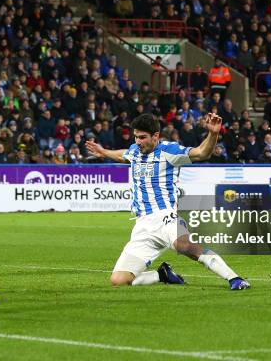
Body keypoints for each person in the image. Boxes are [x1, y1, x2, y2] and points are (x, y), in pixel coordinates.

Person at [86, 113, 250, 290]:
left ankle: (235, 278)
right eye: (136, 137)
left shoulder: (168, 151)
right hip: (142, 226)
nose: (138, 141)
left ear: (155, 136)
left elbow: (202, 153)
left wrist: (212, 134)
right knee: (119, 280)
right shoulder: (135, 150)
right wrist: (103, 152)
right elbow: (122, 155)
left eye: (142, 137)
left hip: (166, 217)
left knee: (185, 245)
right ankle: (162, 274)